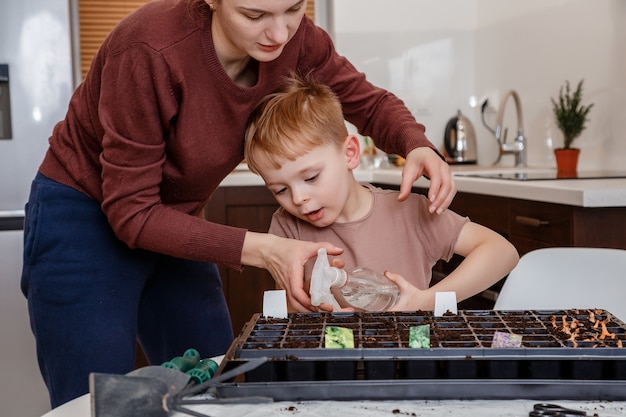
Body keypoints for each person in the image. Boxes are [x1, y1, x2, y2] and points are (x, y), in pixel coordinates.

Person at [20, 0, 457, 408]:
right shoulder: (148, 50)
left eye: (293, 8)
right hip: (84, 214)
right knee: (96, 401)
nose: (280, 32)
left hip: (175, 219)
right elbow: (131, 212)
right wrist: (267, 248)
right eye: (255, 15)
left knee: (218, 383)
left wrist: (415, 144)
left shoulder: (298, 40)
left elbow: (369, 102)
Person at [244, 73, 519, 311]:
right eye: (280, 189)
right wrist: (308, 303)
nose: (298, 198)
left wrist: (425, 300)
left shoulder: (408, 212)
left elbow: (502, 252)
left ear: (350, 153)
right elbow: (287, 315)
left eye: (311, 177)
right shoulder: (286, 229)